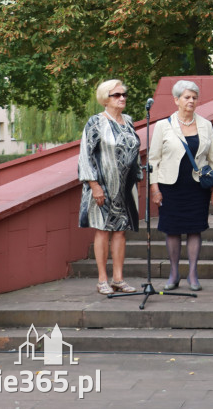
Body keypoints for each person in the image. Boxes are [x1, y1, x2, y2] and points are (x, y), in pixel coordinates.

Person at [148, 80, 213, 291]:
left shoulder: (205, 125)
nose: (191, 101)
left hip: (197, 187)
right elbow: (153, 160)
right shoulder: (163, 125)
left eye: (194, 97)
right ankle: (173, 273)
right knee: (172, 230)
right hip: (170, 186)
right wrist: (155, 189)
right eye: (186, 97)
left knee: (194, 229)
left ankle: (192, 273)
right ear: (176, 100)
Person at [78, 79, 141, 296]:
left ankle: (118, 279)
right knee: (103, 230)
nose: (122, 98)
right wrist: (94, 185)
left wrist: (136, 178)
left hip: (124, 188)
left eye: (124, 94)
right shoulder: (95, 122)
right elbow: (85, 155)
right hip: (102, 187)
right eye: (117, 95)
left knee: (120, 231)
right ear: (106, 98)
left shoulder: (129, 121)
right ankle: (102, 279)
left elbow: (135, 154)